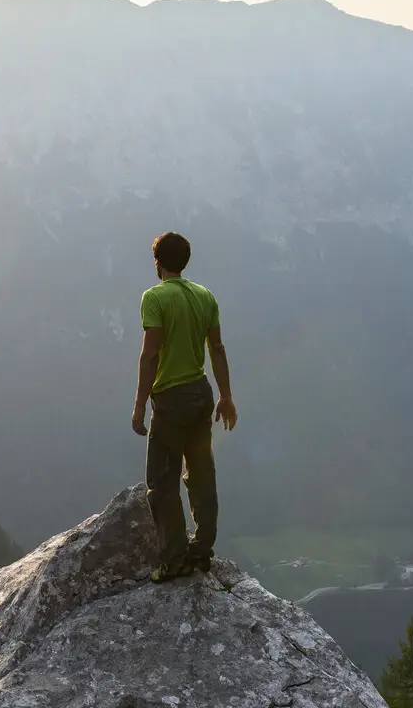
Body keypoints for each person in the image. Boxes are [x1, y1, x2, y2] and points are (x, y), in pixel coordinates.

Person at [132, 231, 236, 582]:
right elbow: (217, 349)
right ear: (186, 261)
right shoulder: (205, 296)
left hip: (171, 400)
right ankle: (202, 550)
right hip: (201, 394)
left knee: (162, 483)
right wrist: (226, 395)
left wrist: (139, 404)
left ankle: (173, 561)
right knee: (201, 473)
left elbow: (150, 355)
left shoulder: (155, 298)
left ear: (157, 262)